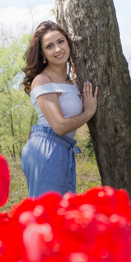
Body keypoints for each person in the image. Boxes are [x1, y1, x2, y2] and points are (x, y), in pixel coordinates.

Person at [20, 21, 97, 196]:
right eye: (49, 46)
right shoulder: (42, 80)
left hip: (63, 149)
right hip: (45, 148)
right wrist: (89, 112)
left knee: (64, 214)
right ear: (42, 53)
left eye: (61, 42)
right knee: (48, 216)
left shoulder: (70, 80)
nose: (57, 49)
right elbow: (60, 126)